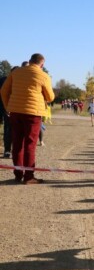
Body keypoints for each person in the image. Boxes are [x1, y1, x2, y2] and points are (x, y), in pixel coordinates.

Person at [0, 53, 55, 184]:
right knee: (30, 145)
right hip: (33, 113)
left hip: (15, 112)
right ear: (41, 64)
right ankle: (29, 177)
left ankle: (18, 174)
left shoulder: (16, 72)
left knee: (17, 143)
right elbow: (50, 97)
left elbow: (3, 91)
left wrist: (8, 106)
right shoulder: (43, 75)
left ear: (30, 61)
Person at [0, 67, 16, 158]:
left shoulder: (19, 81)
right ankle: (7, 150)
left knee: (13, 131)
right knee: (8, 130)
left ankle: (14, 151)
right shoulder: (4, 80)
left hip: (15, 109)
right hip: (7, 109)